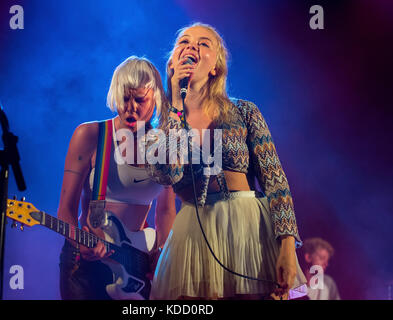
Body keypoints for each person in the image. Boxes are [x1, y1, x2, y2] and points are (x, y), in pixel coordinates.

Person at [145, 23, 306, 300]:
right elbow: (167, 175)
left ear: (215, 68)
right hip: (194, 235)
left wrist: (288, 247)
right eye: (184, 42)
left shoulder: (245, 111)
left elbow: (276, 182)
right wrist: (175, 103)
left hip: (248, 229)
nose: (192, 46)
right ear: (172, 63)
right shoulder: (159, 129)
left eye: (204, 43)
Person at [57, 56, 177, 300]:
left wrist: (162, 255)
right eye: (124, 98)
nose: (130, 107)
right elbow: (65, 209)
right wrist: (78, 239)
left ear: (155, 97)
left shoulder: (166, 146)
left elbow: (165, 211)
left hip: (137, 264)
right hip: (87, 263)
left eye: (140, 99)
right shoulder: (91, 135)